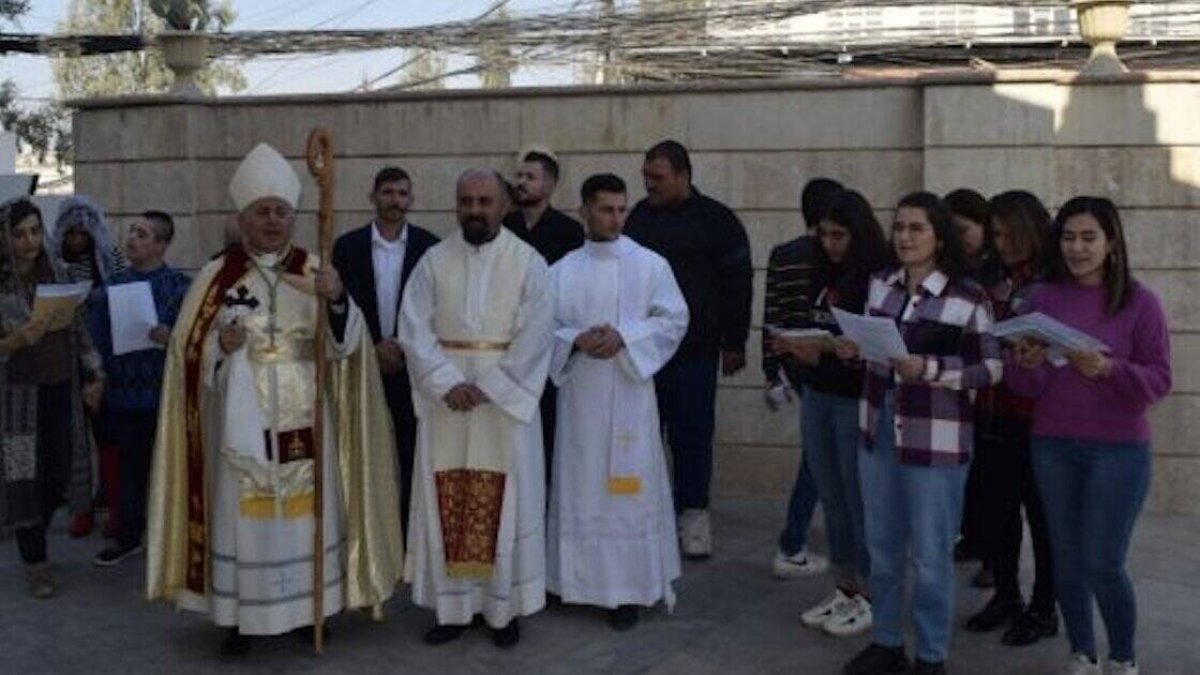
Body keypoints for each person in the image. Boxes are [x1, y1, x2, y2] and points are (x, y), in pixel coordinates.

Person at [145, 143, 404, 656]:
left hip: (306, 414)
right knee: (247, 518)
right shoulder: (216, 279)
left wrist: (336, 300)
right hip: (242, 425)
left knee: (306, 516)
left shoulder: (316, 271)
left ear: (293, 217)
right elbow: (184, 355)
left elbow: (349, 345)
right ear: (242, 218)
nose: (272, 220)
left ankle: (311, 610)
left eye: (281, 211)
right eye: (261, 211)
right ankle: (241, 619)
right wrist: (219, 346)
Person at [1006, 196, 1171, 675]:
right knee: (1066, 559)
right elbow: (1025, 387)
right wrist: (1027, 364)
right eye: (1068, 237)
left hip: (1118, 451)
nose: (1077, 248)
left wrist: (1108, 369)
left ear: (1112, 242)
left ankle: (1123, 659)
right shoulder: (1042, 297)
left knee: (1103, 562)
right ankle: (1082, 653)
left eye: (1088, 237)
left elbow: (1159, 380)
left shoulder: (1141, 302)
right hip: (1052, 445)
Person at [840, 192, 1002, 675]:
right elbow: (877, 351)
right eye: (899, 227)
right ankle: (887, 642)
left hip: (937, 439)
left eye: (916, 228)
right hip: (879, 426)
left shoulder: (967, 297)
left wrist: (926, 368)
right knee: (883, 547)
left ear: (938, 236)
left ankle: (932, 656)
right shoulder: (879, 285)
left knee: (932, 556)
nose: (905, 237)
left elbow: (990, 369)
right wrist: (854, 348)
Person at [398, 168, 554, 648]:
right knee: (452, 499)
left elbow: (536, 334)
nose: (475, 211)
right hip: (447, 406)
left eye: (485, 201)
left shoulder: (529, 262)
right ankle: (454, 608)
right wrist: (446, 383)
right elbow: (413, 328)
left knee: (501, 501)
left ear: (503, 205)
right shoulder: (432, 261)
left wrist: (488, 385)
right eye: (466, 201)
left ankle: (502, 610)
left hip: (502, 409)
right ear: (455, 204)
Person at [546, 173, 688, 631]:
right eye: (606, 209)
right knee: (581, 483)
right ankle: (572, 581)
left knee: (625, 493)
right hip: (582, 401)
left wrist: (625, 336)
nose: (615, 218)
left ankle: (626, 591)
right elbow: (540, 329)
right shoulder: (561, 270)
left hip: (630, 394)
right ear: (584, 210)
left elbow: (673, 319)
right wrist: (575, 339)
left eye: (622, 209)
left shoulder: (650, 265)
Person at [624, 139, 753, 558]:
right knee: (642, 436)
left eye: (657, 178)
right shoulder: (638, 219)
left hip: (695, 352)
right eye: (645, 177)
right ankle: (647, 518)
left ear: (682, 175)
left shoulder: (718, 221)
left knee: (692, 436)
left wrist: (735, 342)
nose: (649, 185)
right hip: (644, 352)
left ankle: (693, 517)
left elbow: (739, 284)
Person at [773, 189, 889, 638]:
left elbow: (875, 349)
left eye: (839, 235)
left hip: (851, 399)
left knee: (858, 501)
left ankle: (871, 594)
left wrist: (824, 352)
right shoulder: (824, 273)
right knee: (832, 499)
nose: (830, 243)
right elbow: (823, 328)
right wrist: (801, 347)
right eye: (823, 234)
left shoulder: (877, 279)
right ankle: (843, 588)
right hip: (818, 394)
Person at [964, 191, 1058, 646]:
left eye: (1009, 233)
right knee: (997, 514)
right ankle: (1006, 596)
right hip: (992, 412)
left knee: (1043, 519)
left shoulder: (1056, 280)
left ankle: (1044, 607)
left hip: (1042, 419)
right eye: (995, 233)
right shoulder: (985, 277)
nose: (1002, 243)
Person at [0, 197, 105, 598]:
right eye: (19, 233)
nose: (29, 241)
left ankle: (33, 534)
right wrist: (15, 340)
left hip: (61, 386)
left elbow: (77, 329)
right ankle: (36, 563)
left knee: (59, 473)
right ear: (5, 238)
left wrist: (96, 371)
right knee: (25, 476)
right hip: (18, 398)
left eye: (33, 231)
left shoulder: (56, 270)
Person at [332, 166, 438, 532]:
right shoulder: (347, 247)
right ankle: (369, 529)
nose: (395, 200)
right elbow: (341, 303)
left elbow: (434, 309)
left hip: (412, 365)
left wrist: (405, 346)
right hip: (366, 361)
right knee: (368, 450)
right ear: (372, 196)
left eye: (402, 193)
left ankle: (409, 531)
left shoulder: (429, 246)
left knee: (413, 450)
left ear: (412, 199)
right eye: (388, 192)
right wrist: (371, 346)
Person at [90, 211, 192, 566]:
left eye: (143, 234)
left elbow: (195, 339)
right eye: (132, 231)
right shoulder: (111, 287)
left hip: (166, 397)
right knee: (129, 473)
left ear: (161, 245)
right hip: (124, 396)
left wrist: (171, 338)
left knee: (171, 472)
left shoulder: (180, 287)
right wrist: (97, 377)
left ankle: (174, 540)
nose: (132, 238)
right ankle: (128, 537)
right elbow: (95, 338)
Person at [763, 177, 842, 579]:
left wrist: (771, 372)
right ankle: (793, 542)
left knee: (820, 452)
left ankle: (810, 538)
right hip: (827, 364)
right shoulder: (832, 258)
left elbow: (771, 315)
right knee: (819, 457)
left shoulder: (782, 254)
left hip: (794, 365)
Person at [502, 148, 584, 481]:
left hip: (551, 351)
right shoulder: (502, 228)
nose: (521, 182)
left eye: (530, 177)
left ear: (549, 185)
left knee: (548, 434)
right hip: (506, 347)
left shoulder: (569, 233)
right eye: (518, 176)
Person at [52, 195, 126, 538]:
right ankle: (81, 509)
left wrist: (95, 298)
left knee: (107, 436)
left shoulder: (110, 259)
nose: (78, 240)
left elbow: (127, 292)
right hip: (67, 361)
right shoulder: (53, 264)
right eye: (72, 234)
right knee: (75, 440)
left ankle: (113, 507)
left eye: (84, 233)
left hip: (107, 359)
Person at [943, 187, 999, 588]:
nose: (960, 237)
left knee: (991, 482)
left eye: (965, 228)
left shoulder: (996, 273)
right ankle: (974, 539)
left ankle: (995, 558)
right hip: (958, 390)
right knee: (971, 477)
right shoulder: (949, 272)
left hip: (994, 391)